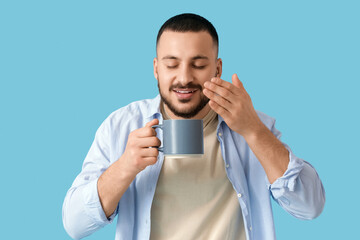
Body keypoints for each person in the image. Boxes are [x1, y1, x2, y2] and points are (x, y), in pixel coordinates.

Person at [62, 13, 325, 240]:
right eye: (171, 64)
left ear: (217, 69)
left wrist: (254, 131)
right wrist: (125, 166)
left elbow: (310, 206)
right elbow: (74, 224)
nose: (185, 77)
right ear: (156, 69)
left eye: (198, 65)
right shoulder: (122, 125)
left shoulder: (251, 124)